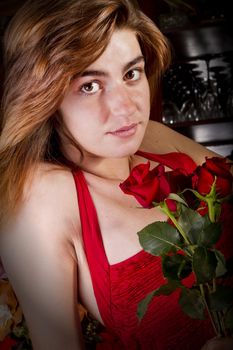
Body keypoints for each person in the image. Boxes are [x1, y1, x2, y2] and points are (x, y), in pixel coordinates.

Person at [0, 0, 232, 349]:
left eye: (131, 74)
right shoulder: (40, 199)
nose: (126, 107)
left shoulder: (151, 136)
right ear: (42, 94)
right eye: (89, 86)